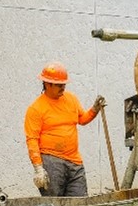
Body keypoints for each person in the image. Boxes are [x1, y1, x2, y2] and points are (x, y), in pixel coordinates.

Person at [24, 62, 105, 197]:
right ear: (47, 84)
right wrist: (38, 168)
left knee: (79, 204)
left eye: (64, 84)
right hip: (51, 162)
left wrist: (94, 109)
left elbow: (82, 119)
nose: (63, 88)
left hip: (74, 161)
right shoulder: (36, 108)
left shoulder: (71, 99)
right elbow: (32, 140)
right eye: (59, 85)